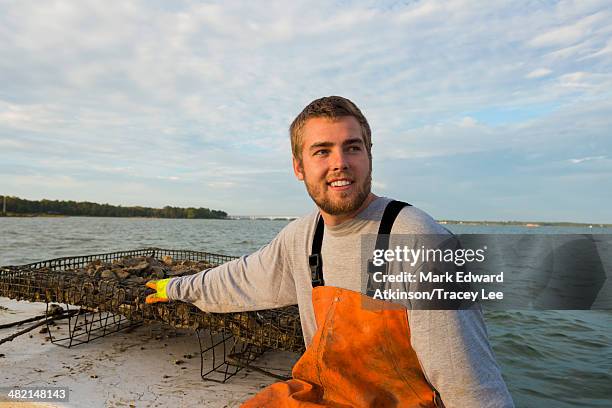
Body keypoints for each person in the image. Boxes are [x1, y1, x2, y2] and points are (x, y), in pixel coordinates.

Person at [146, 96, 514, 407]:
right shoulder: (304, 236)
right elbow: (240, 277)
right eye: (322, 151)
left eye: (352, 147)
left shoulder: (419, 239)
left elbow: (468, 379)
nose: (340, 162)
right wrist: (175, 288)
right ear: (298, 167)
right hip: (325, 395)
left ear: (369, 155)